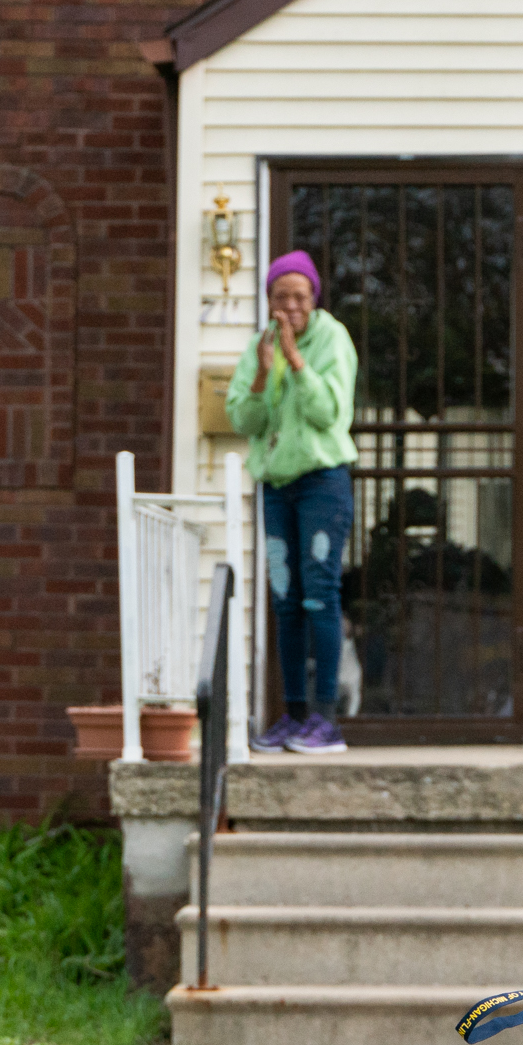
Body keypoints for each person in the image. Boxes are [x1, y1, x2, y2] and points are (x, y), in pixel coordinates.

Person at [226, 249, 358, 753]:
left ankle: (326, 721)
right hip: (277, 487)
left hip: (322, 482)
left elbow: (329, 413)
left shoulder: (332, 338)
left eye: (300, 297)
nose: (290, 307)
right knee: (285, 599)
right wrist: (263, 373)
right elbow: (244, 420)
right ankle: (294, 714)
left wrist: (296, 361)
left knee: (319, 593)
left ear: (314, 298)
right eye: (281, 297)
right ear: (268, 300)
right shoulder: (259, 345)